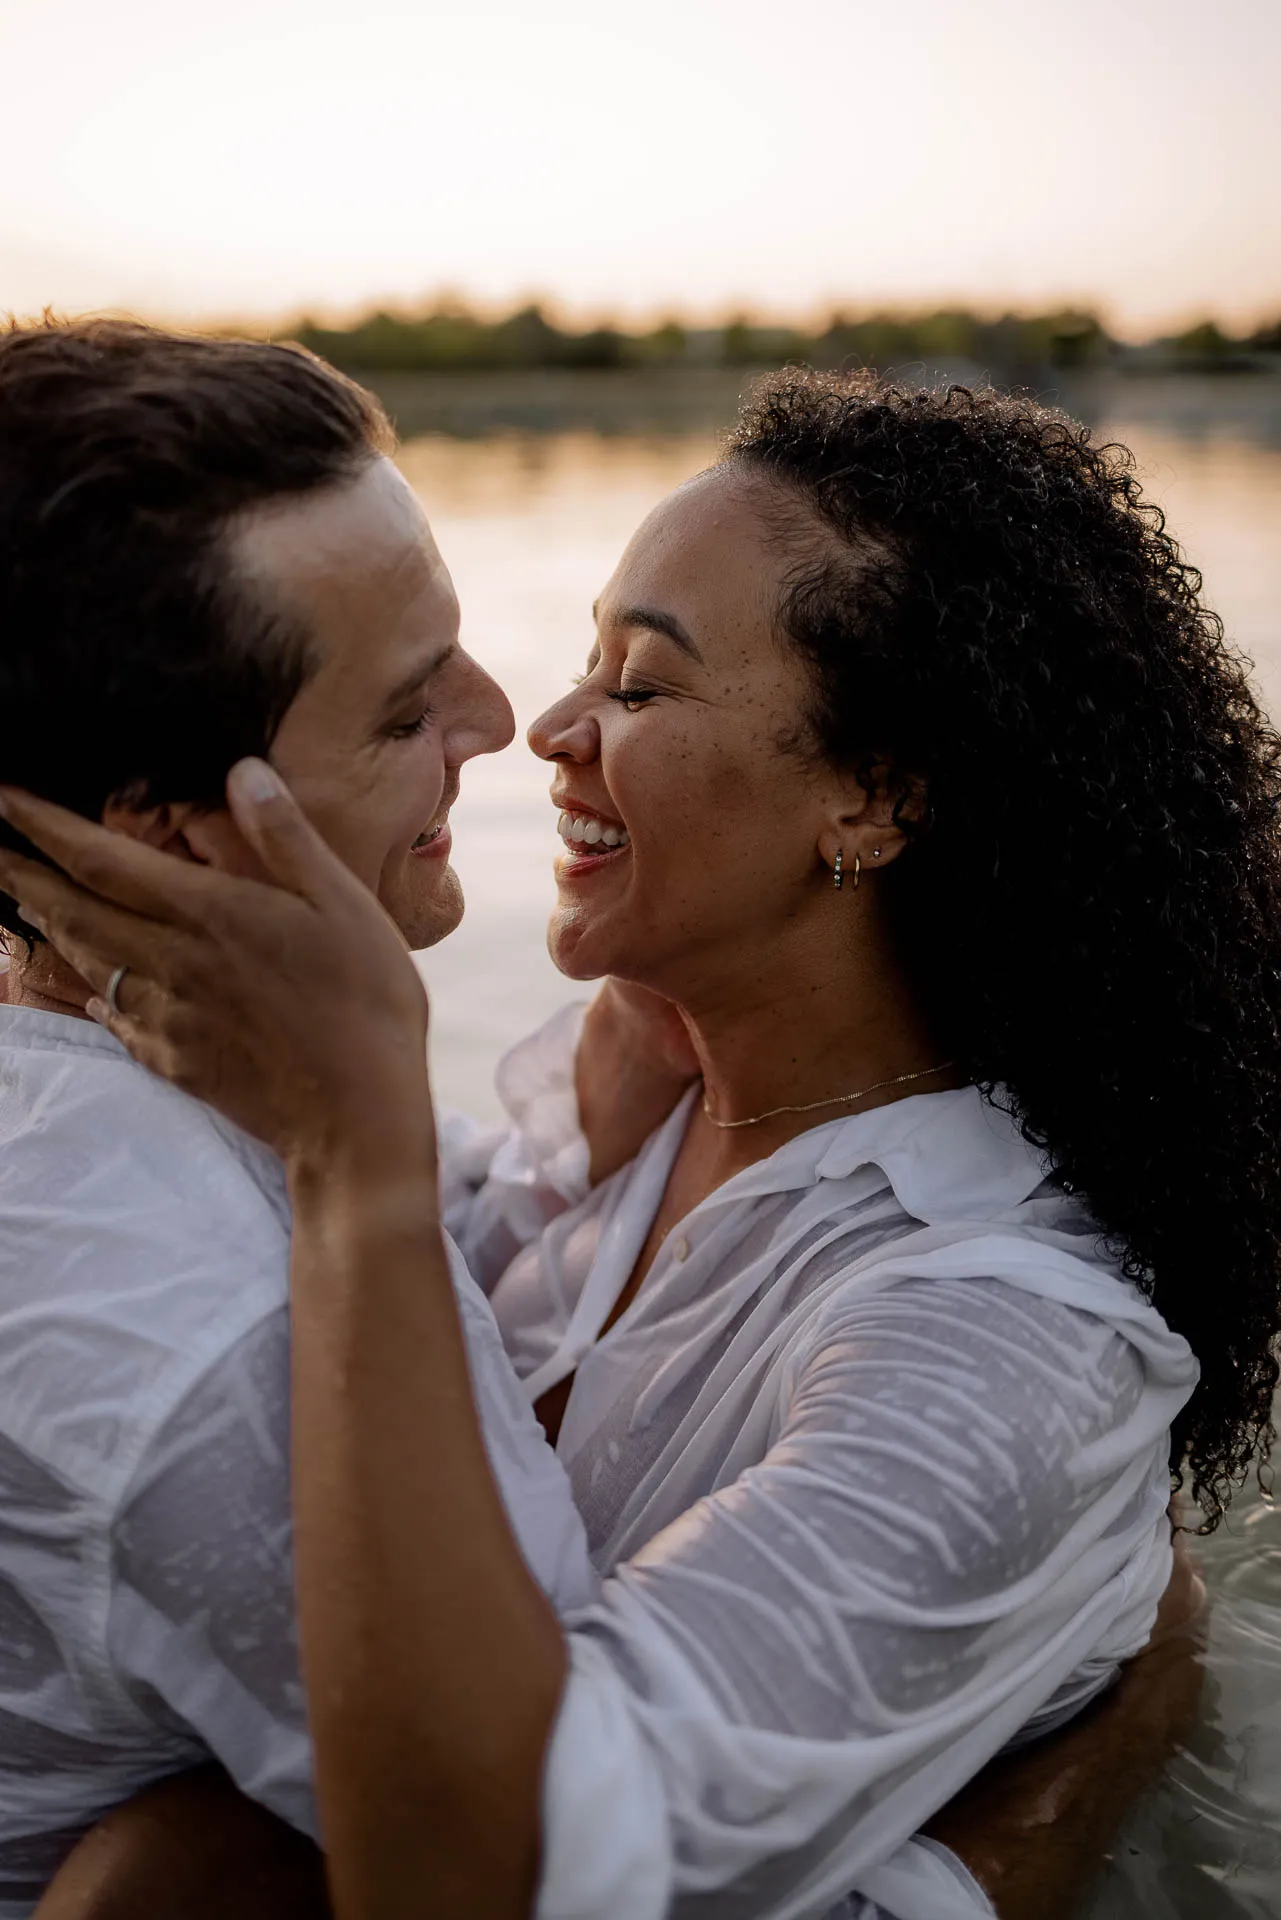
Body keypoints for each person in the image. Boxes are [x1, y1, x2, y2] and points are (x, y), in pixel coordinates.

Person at [5, 368, 1274, 1919]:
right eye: (417, 705)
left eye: (641, 685)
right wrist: (1011, 1847)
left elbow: (544, 1874)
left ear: (877, 794)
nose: (538, 726)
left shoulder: (1001, 1345)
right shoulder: (640, 1110)